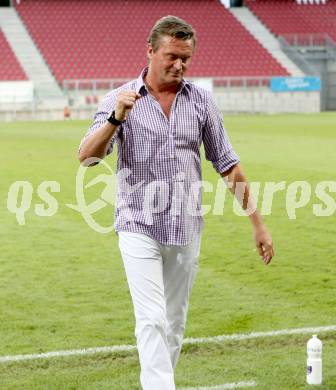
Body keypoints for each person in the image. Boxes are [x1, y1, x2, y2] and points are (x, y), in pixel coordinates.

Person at [78, 15, 274, 390]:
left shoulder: (201, 100)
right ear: (150, 51)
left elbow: (227, 164)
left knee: (174, 321)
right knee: (151, 318)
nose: (180, 65)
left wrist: (258, 224)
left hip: (186, 227)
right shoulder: (119, 99)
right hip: (138, 225)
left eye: (186, 58)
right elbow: (86, 157)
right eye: (172, 56)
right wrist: (116, 120)